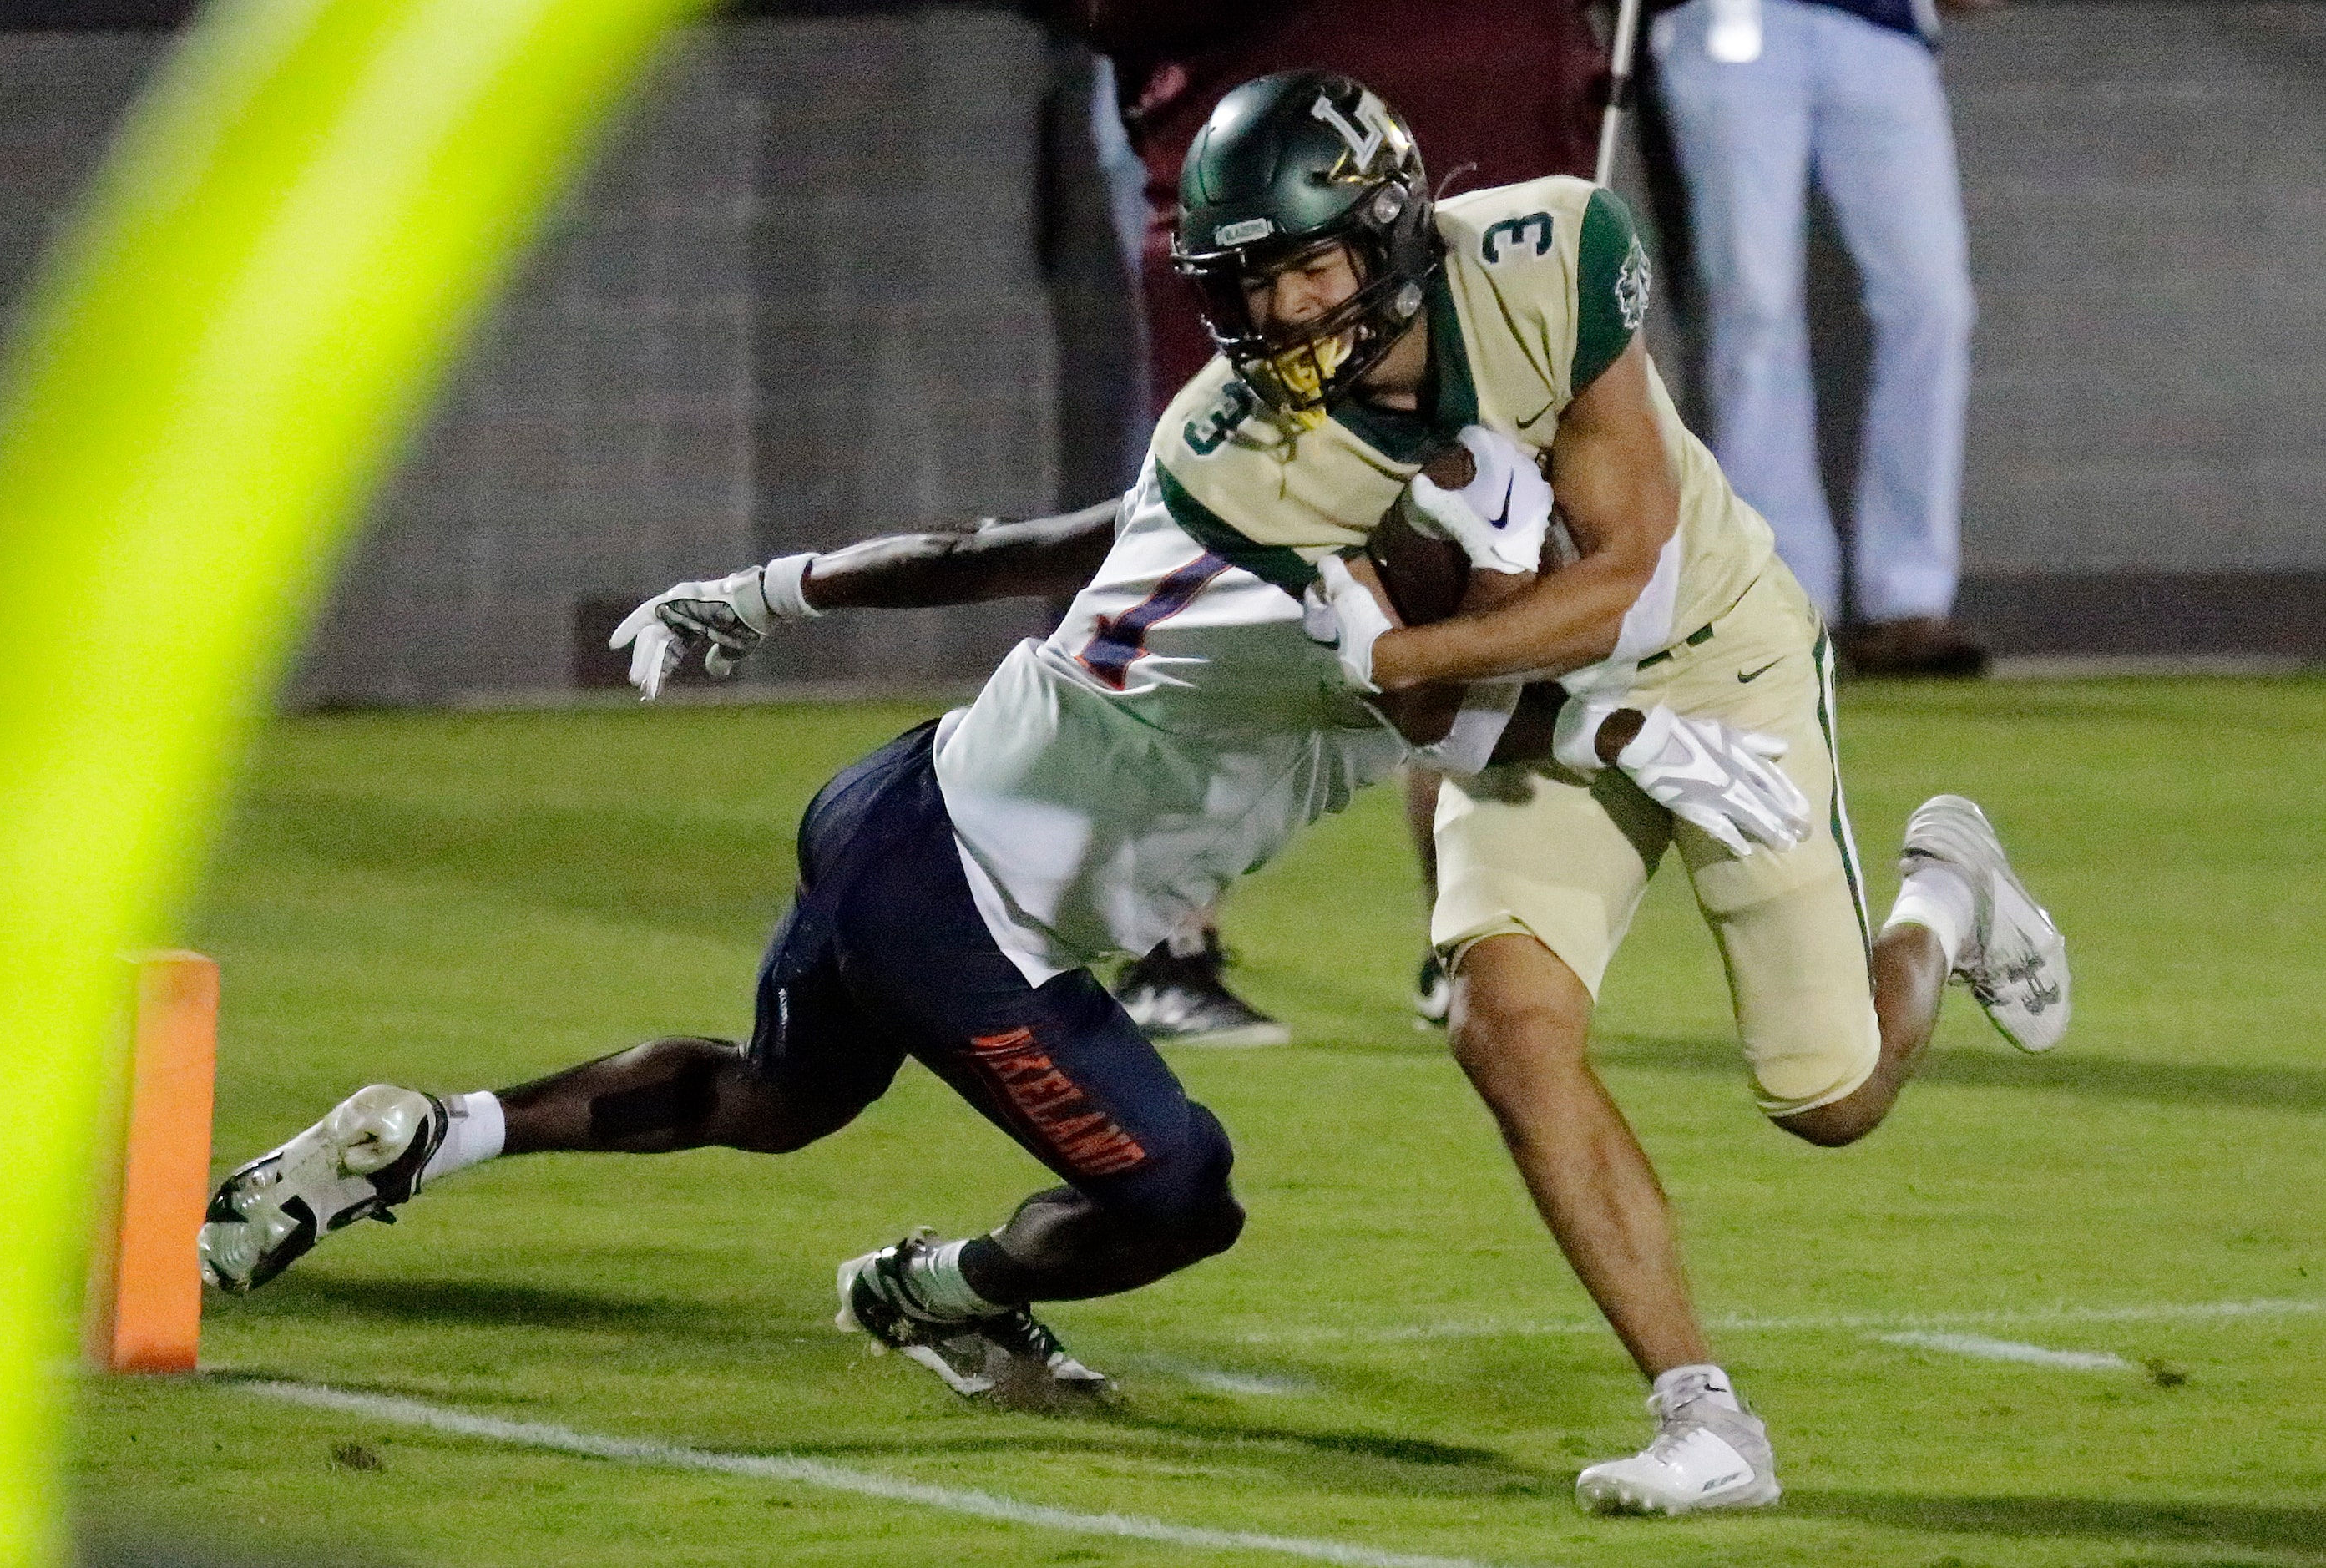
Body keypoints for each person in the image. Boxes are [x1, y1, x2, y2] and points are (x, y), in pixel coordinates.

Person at [199, 432, 1802, 1411]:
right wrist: (1632, 734)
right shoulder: (1345, 623)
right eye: (1481, 586)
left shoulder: (1239, 508)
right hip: (968, 903)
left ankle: (427, 1133)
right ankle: (937, 1290)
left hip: (895, 804)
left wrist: (755, 592)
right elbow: (1461, 712)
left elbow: (987, 554)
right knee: (1181, 1189)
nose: (1500, 616)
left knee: (775, 1097)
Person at [1141, 71, 2068, 1511]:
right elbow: (1432, 729)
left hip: (1717, 665)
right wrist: (1419, 666)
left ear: (1386, 231)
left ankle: (1943, 894)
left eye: (1306, 265)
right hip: (1527, 727)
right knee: (1503, 1022)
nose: (1278, 316)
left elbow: (1626, 581)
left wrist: (1403, 640)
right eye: (1246, 285)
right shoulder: (1236, 447)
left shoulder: (1541, 254)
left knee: (1827, 1096)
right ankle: (1706, 1419)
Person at [1048, 0, 1611, 1042]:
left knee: (1494, 555)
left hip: (1474, 177)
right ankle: (1169, 941)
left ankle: (1478, 934)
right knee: (1224, 570)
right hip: (1263, 217)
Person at [1646, 0, 1999, 675]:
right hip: (1733, 16)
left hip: (1882, 23)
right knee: (1751, 308)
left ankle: (1908, 597)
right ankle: (1784, 592)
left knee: (1933, 304)